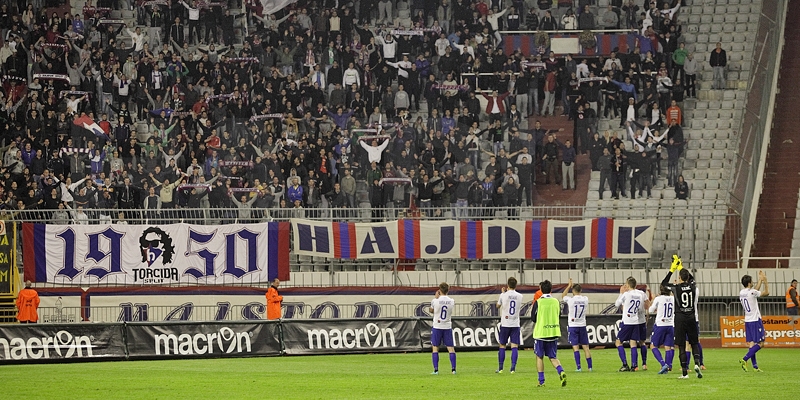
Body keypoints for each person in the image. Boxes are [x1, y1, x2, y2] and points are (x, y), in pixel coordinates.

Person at [661, 255, 704, 379]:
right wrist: (682, 268)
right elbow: (691, 278)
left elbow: (663, 284)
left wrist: (672, 270)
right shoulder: (693, 286)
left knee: (681, 346)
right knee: (694, 343)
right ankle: (697, 363)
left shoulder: (675, 288)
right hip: (691, 317)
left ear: (679, 278)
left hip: (680, 318)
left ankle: (684, 372)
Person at [532, 280, 567, 387]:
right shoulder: (556, 301)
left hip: (541, 333)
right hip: (553, 332)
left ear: (541, 290)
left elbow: (533, 318)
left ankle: (541, 381)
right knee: (553, 357)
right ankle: (561, 371)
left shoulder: (538, 302)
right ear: (551, 289)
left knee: (539, 357)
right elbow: (559, 315)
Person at [614, 276, 649, 371]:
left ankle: (625, 364)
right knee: (633, 343)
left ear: (628, 285)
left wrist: (621, 294)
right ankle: (635, 365)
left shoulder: (626, 294)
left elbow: (617, 304)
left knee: (618, 342)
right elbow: (645, 305)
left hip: (627, 322)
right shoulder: (640, 294)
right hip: (636, 321)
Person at [739, 271, 769, 372]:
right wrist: (765, 281)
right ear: (749, 283)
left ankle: (755, 367)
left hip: (748, 320)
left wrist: (760, 279)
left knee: (752, 344)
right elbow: (766, 293)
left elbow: (754, 291)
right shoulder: (752, 292)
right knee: (761, 343)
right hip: (755, 320)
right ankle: (744, 359)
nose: (753, 282)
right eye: (752, 281)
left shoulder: (742, 292)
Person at [562, 278, 592, 372]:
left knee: (575, 347)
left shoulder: (570, 300)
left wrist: (568, 286)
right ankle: (590, 367)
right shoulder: (585, 299)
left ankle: (579, 367)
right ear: (581, 290)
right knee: (586, 347)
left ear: (573, 291)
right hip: (582, 325)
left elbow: (563, 296)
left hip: (573, 325)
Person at [496, 277, 524, 374]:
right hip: (515, 323)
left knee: (502, 345)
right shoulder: (520, 296)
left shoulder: (503, 295)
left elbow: (498, 305)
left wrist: (503, 293)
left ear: (508, 285)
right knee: (514, 346)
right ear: (516, 285)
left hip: (505, 323)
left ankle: (500, 368)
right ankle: (513, 368)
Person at [429, 282, 457, 374]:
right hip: (447, 326)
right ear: (448, 290)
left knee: (435, 347)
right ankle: (453, 369)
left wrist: (436, 297)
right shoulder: (452, 301)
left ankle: (436, 370)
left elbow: (431, 310)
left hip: (437, 326)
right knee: (450, 348)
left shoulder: (435, 301)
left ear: (439, 290)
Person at [649, 285, 675, 374]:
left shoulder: (659, 299)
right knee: (668, 347)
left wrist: (653, 299)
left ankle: (663, 364)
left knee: (653, 346)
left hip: (660, 325)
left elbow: (650, 310)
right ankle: (668, 367)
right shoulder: (673, 299)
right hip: (671, 324)